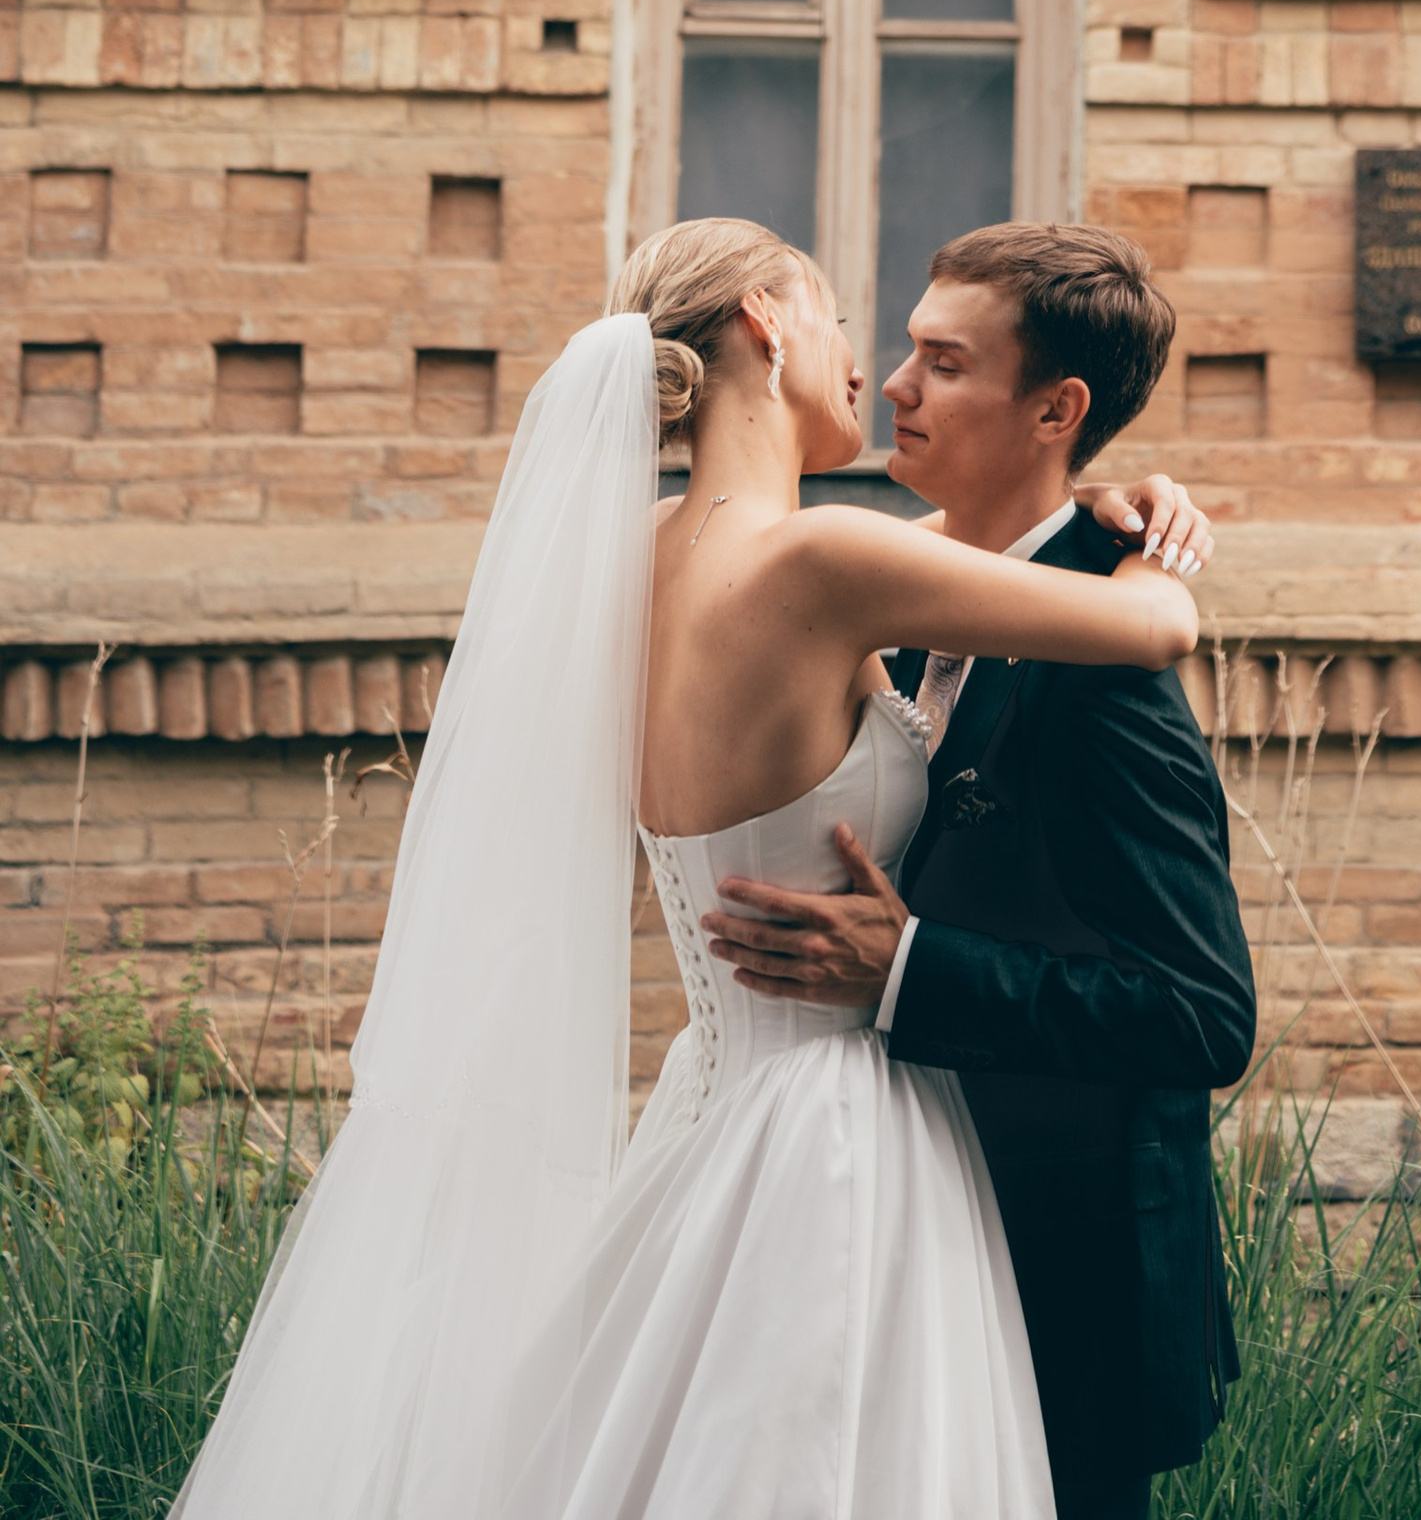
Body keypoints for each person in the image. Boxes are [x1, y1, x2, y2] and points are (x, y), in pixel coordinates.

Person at [172, 213, 1214, 1520]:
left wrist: (1090, 490)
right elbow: (1155, 624)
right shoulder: (826, 561)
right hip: (836, 1133)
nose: (872, 375)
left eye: (929, 360)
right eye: (846, 324)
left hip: (706, 1107)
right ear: (767, 326)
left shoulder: (644, 559)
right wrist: (1141, 529)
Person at [703, 221, 1258, 1520]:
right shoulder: (895, 593)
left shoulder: (1106, 673)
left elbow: (1203, 1016)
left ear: (1055, 409)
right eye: (903, 349)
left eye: (944, 364)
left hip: (1058, 1279)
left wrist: (912, 970)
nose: (896, 386)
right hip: (887, 1230)